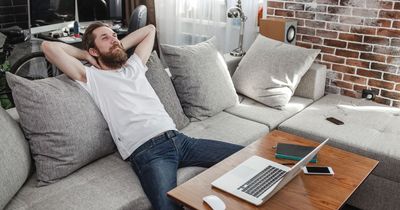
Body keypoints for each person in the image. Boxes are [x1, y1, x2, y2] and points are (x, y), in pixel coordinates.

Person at [41, 22, 243, 210]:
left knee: (245, 157)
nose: (114, 39)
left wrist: (116, 44)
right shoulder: (92, 77)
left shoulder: (134, 66)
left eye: (114, 35)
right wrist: (86, 55)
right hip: (149, 152)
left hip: (181, 140)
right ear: (94, 50)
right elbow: (48, 48)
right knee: (166, 206)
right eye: (105, 38)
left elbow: (150, 29)